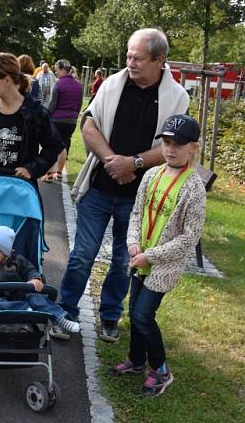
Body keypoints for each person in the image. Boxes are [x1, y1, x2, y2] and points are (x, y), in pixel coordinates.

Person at [57, 28, 190, 342]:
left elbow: (173, 146)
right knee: (83, 254)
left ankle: (110, 316)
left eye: (138, 58)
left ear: (160, 60)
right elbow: (88, 125)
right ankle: (65, 311)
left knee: (122, 260)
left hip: (139, 196)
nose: (130, 62)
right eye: (129, 55)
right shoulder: (112, 85)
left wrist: (135, 163)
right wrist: (112, 161)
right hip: (100, 188)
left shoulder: (176, 97)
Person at [108, 114, 206, 397]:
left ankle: (161, 371)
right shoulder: (152, 174)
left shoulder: (194, 187)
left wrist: (151, 255)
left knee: (142, 316)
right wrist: (132, 244)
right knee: (135, 311)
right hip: (141, 258)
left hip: (163, 265)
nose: (171, 149)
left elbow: (190, 237)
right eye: (166, 142)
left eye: (179, 144)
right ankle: (137, 361)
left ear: (193, 148)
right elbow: (136, 212)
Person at [0, 52, 63, 186]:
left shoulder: (36, 113)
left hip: (20, 192)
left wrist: (31, 169)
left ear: (7, 80)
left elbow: (53, 147)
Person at [0, 226, 80, 334]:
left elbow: (30, 270)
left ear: (6, 253)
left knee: (35, 296)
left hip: (20, 296)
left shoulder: (17, 261)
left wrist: (35, 279)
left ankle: (60, 318)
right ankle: (26, 311)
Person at [42, 59, 83, 183]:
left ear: (62, 70)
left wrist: (46, 116)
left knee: (51, 146)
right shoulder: (79, 85)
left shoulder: (58, 84)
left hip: (57, 119)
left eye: (57, 70)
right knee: (63, 146)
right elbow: (79, 104)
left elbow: (52, 104)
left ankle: (49, 174)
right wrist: (74, 115)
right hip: (71, 121)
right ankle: (59, 173)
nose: (56, 73)